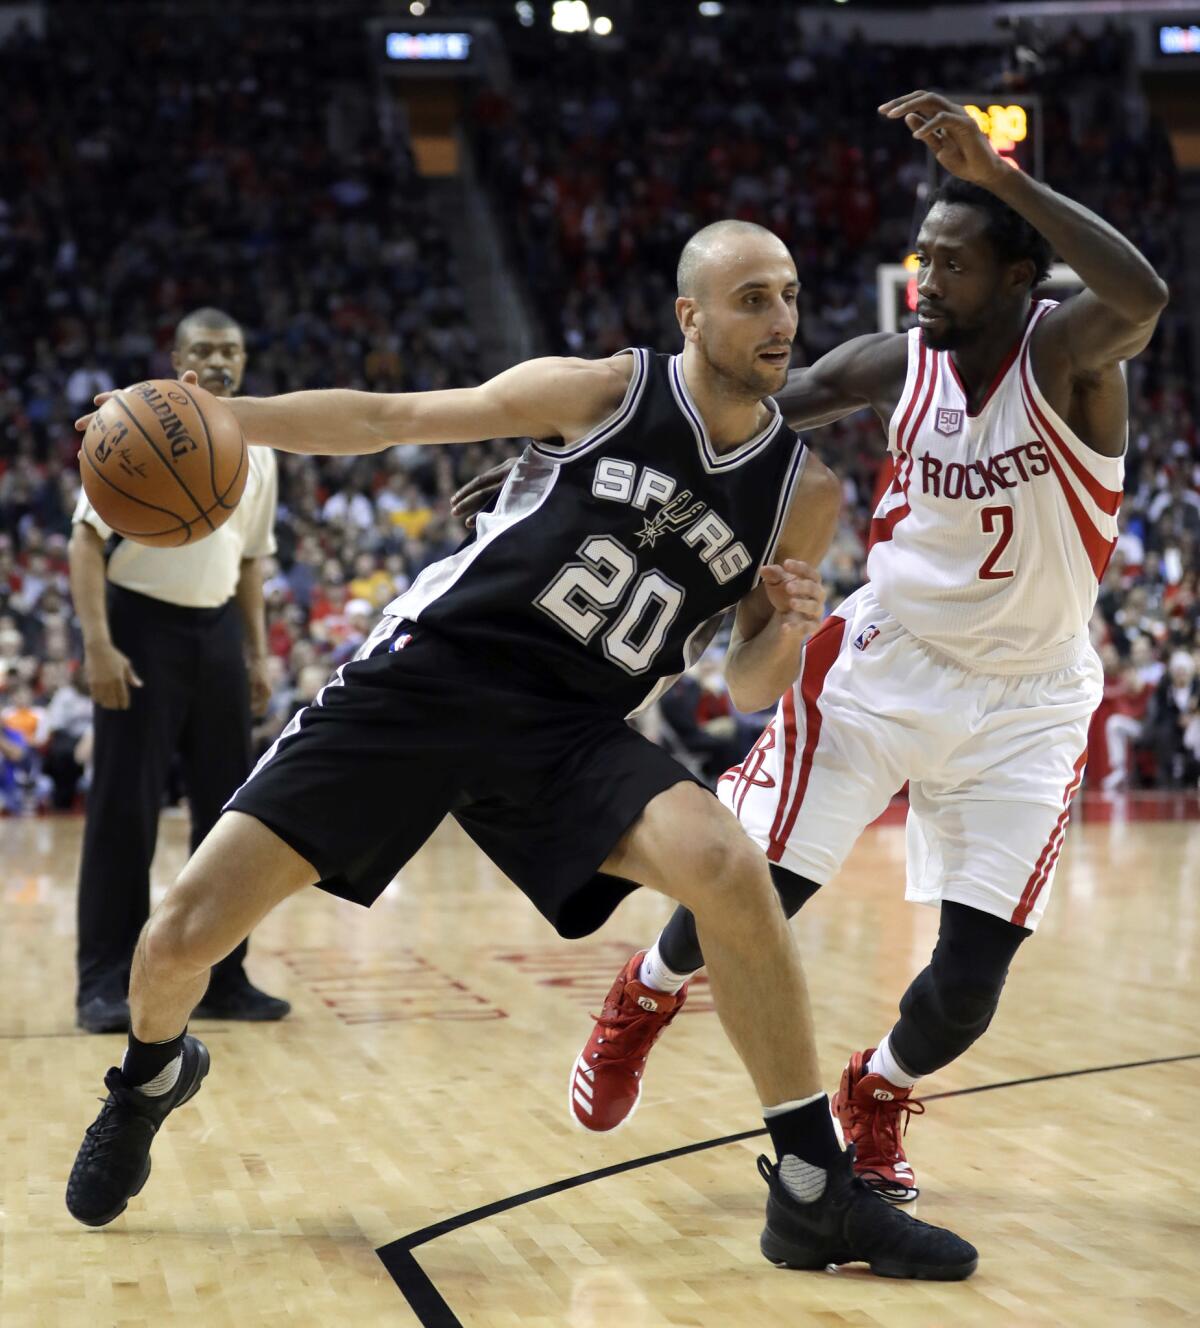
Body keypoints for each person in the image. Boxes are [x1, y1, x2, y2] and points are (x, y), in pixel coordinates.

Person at [65, 222, 978, 1281]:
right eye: (752, 299)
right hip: (429, 680)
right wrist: (221, 415)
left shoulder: (801, 492)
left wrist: (790, 622)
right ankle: (146, 1079)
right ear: (691, 315)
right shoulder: (605, 392)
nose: (781, 320)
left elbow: (748, 683)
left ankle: (815, 1187)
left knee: (731, 868)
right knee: (176, 939)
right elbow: (387, 416)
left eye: (789, 296)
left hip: (571, 728)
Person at [453, 93, 1168, 1201]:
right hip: (886, 659)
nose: (926, 278)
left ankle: (876, 1089)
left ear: (1021, 279)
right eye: (921, 257)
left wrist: (1000, 177)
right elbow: (732, 412)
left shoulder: (1076, 354)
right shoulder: (898, 359)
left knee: (966, 990)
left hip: (1031, 701)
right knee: (754, 893)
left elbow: (1145, 291)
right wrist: (577, 463)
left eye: (954, 262)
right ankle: (644, 989)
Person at [70, 308, 291, 1033]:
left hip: (219, 628)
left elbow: (254, 561)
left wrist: (257, 653)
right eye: (205, 349)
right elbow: (84, 539)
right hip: (140, 625)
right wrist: (99, 643)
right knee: (122, 814)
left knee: (233, 819)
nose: (221, 359)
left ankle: (224, 976)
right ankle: (104, 981)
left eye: (232, 348)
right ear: (178, 358)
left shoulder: (260, 446)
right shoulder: (138, 421)